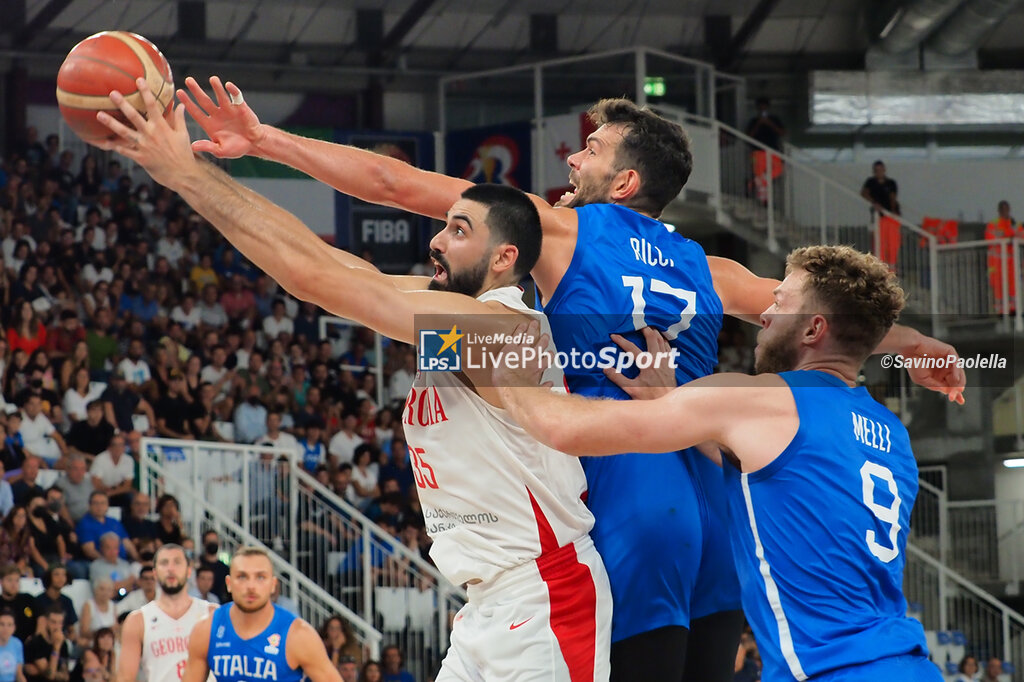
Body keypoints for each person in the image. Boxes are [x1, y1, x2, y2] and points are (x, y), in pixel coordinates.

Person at [165, 79, 965, 682]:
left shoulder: (558, 231)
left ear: (622, 183)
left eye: (590, 150)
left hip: (619, 501)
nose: (573, 158)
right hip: (713, 517)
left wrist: (269, 141)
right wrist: (922, 344)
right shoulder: (708, 268)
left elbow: (394, 189)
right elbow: (820, 319)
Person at [98, 87, 613, 682]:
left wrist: (187, 174)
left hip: (546, 595)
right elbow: (335, 270)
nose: (436, 241)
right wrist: (208, 170)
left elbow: (316, 279)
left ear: (504, 258)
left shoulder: (498, 332)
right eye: (443, 227)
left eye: (459, 230)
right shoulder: (454, 319)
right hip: (492, 605)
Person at [495, 245, 942, 681]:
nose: (763, 316)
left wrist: (496, 361)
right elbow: (771, 463)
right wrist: (673, 400)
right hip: (910, 663)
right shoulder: (891, 432)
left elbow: (565, 430)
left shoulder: (761, 398)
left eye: (780, 304)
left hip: (833, 669)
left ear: (812, 329)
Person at [180, 546, 341, 682]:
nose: (251, 586)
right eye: (242, 577)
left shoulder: (298, 634)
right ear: (229, 584)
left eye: (260, 577)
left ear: (273, 585)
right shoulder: (206, 630)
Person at [117, 544, 214, 682]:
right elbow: (125, 678)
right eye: (164, 563)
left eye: (177, 562)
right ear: (155, 573)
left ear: (189, 571)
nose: (170, 569)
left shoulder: (212, 613)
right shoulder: (138, 620)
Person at [23, 606, 70, 682]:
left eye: (60, 623)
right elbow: (49, 675)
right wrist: (56, 648)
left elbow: (65, 676)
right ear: (46, 621)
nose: (57, 627)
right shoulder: (35, 643)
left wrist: (56, 674)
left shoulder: (63, 644)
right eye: (53, 622)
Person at [0, 609, 24, 682]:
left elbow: (19, 674)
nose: (5, 628)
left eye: (9, 625)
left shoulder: (17, 644)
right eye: (2, 624)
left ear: (14, 628)